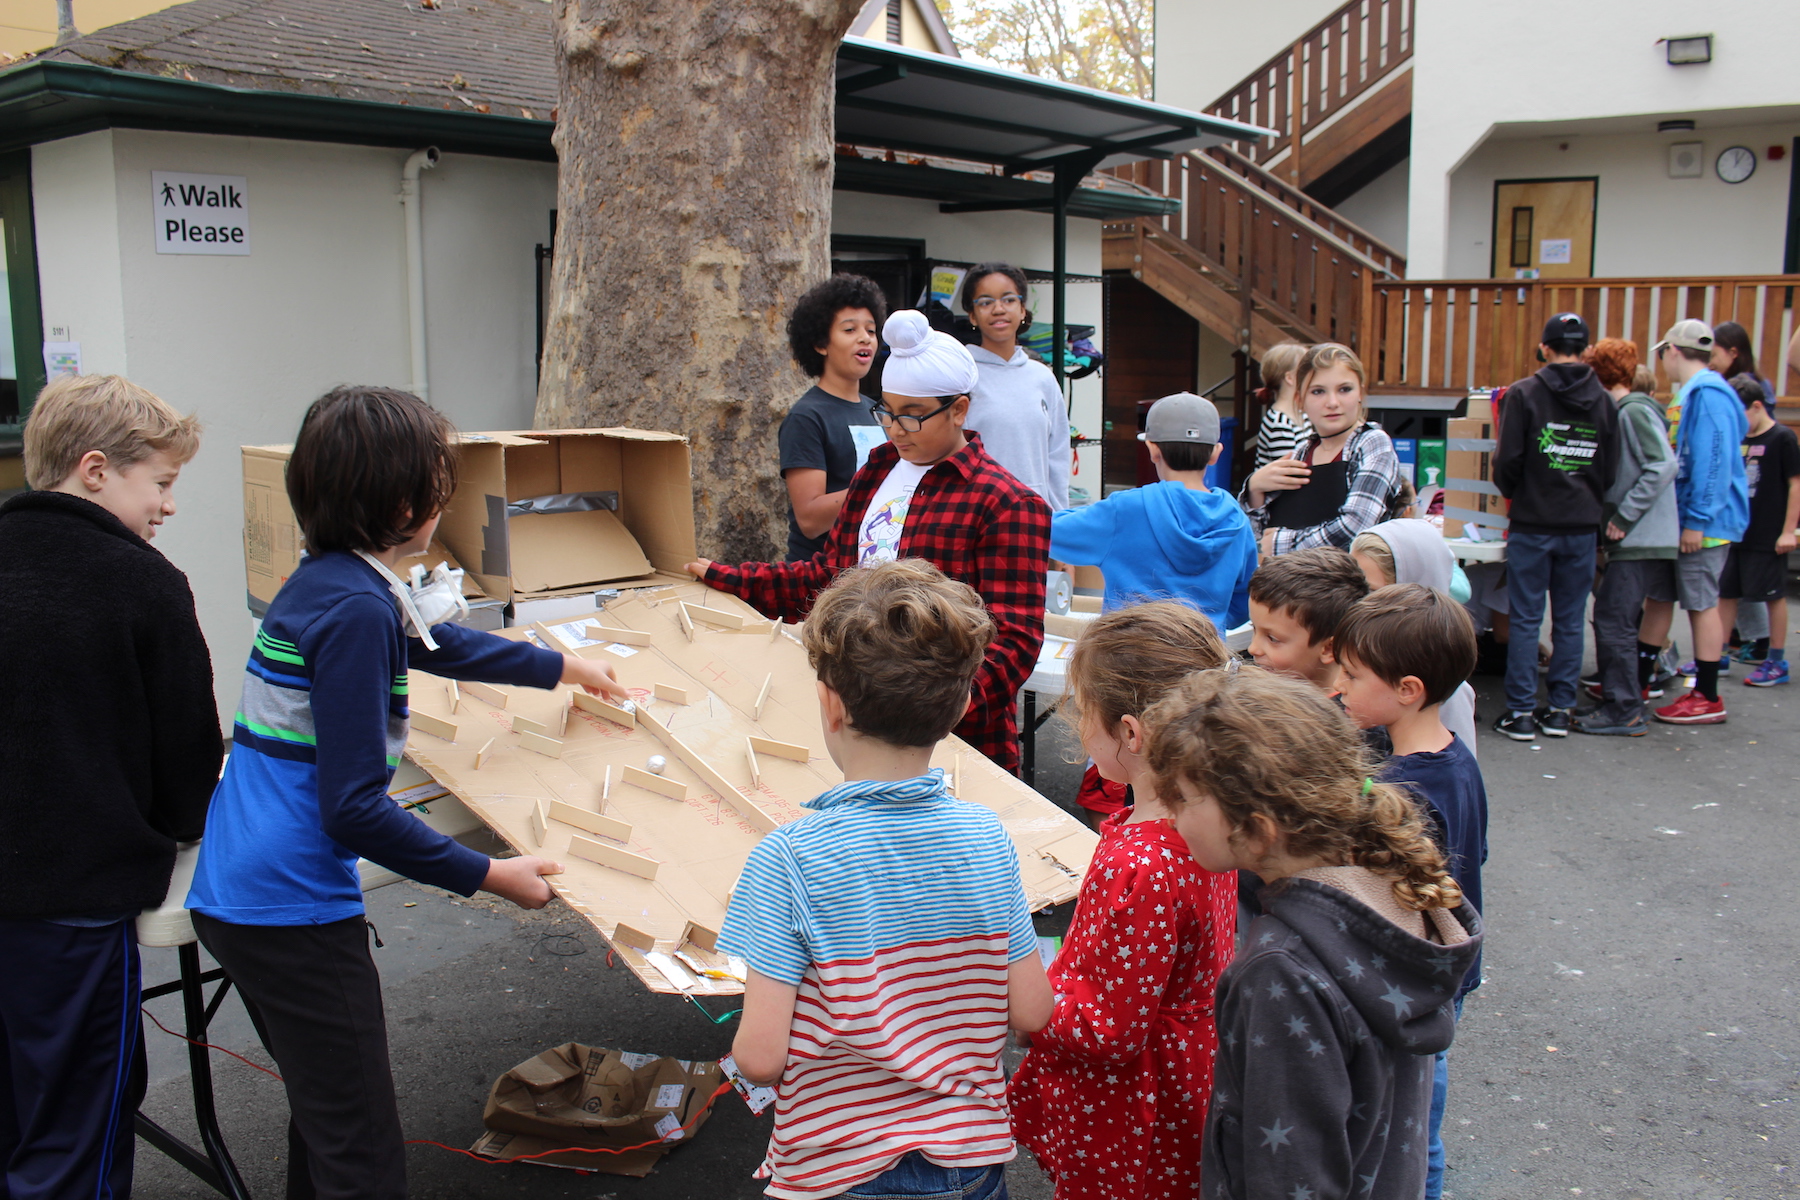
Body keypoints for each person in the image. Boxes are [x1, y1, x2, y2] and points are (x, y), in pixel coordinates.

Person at [186, 386, 629, 1196]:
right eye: (438, 482)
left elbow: (437, 642)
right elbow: (352, 806)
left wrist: (562, 665)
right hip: (290, 910)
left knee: (329, 1119)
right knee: (360, 1147)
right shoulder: (356, 610)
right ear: (405, 505)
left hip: (243, 890)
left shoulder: (332, 582)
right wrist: (489, 874)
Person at [721, 560, 1052, 1200]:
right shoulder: (989, 838)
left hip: (836, 1171)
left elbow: (760, 1059)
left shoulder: (788, 856)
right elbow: (1032, 1009)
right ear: (957, 706)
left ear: (830, 702)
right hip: (971, 1164)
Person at [0, 375, 217, 1199]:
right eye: (160, 483)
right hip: (71, 909)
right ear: (95, 469)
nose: (166, 506)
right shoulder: (141, 583)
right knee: (75, 1132)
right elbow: (187, 770)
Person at [1146, 667, 1481, 1200]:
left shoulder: (1279, 971)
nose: (1169, 816)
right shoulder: (1393, 893)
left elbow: (1288, 1176)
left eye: (1184, 798)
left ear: (1258, 830)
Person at [689, 309, 1050, 773]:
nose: (896, 429)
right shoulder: (878, 470)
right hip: (861, 716)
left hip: (957, 739)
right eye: (887, 412)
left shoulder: (1007, 503)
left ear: (960, 409)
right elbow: (829, 578)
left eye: (914, 416)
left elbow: (1014, 639)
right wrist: (731, 578)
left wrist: (942, 709)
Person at [1009, 604, 1238, 1200]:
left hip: (1135, 1100)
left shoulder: (1140, 862)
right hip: (1189, 1067)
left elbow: (1108, 1029)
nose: (1080, 727)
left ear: (1130, 733)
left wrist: (1026, 999)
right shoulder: (1209, 817)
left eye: (1085, 713)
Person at [1333, 584, 1490, 1200]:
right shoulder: (1456, 761)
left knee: (1411, 1124)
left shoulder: (1404, 794)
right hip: (1446, 970)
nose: (1339, 685)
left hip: (1415, 980)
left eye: (1352, 674)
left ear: (1407, 691)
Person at [1491, 312, 1620, 741]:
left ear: (1544, 348)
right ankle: (1561, 709)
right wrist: (1586, 497)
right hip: (1581, 525)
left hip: (1532, 521)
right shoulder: (1604, 400)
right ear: (1584, 350)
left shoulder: (1524, 394)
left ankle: (1522, 712)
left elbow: (1506, 461)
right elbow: (1610, 467)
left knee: (1527, 618)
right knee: (1569, 620)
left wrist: (1523, 494)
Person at [1048, 391, 1256, 627]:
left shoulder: (1125, 510)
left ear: (1152, 449)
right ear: (1216, 453)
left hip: (1125, 658)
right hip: (1205, 657)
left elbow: (1044, 531)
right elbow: (1243, 605)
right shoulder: (1237, 520)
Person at [1642, 320, 1749, 725]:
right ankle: (1639, 679)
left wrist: (1698, 521)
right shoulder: (1701, 392)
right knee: (1661, 597)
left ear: (1672, 351)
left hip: (1702, 525)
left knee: (1701, 604)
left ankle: (1707, 695)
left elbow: (1712, 462)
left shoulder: (1708, 394)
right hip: (1688, 519)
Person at [1576, 339, 1679, 736]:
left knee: (1613, 620)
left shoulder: (1630, 412)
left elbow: (1662, 465)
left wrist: (1624, 515)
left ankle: (1625, 708)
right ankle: (1625, 700)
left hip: (1640, 537)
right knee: (1619, 618)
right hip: (1644, 536)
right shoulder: (1630, 410)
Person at [1242, 342, 1405, 556]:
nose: (1332, 402)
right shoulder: (1301, 452)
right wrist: (1254, 489)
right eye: (1318, 391)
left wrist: (1281, 545)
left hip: (1351, 584)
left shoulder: (1371, 444)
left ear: (1360, 394)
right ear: (1300, 400)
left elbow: (1355, 528)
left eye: (1344, 389)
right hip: (1289, 585)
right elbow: (1254, 541)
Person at [778, 274, 889, 561]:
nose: (865, 338)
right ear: (820, 343)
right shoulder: (806, 416)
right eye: (849, 330)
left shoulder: (878, 411)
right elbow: (810, 519)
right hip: (821, 578)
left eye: (871, 330)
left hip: (871, 573)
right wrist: (880, 483)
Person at [1347, 519, 1479, 754]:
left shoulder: (1450, 691)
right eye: (1356, 588)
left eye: (1373, 591)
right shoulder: (1366, 656)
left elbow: (1453, 775)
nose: (1360, 601)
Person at [960, 262, 1070, 511]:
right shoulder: (963, 376)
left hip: (1036, 517)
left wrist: (1060, 518)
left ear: (1022, 309)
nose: (998, 309)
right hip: (980, 515)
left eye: (1008, 300)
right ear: (972, 315)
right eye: (986, 302)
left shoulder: (1042, 377)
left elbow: (1058, 455)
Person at [1717, 374, 1800, 687]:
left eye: (1741, 415)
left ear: (1757, 405)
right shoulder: (1741, 438)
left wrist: (1788, 530)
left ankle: (1777, 661)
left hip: (1768, 533)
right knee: (1726, 593)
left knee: (1772, 596)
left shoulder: (1782, 438)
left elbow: (1796, 484)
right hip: (1737, 530)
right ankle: (1718, 653)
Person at [1709, 322, 1776, 658]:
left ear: (1733, 352)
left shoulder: (1754, 391)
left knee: (1747, 571)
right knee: (1731, 574)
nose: (1710, 359)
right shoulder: (1722, 385)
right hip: (1732, 488)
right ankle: (1737, 636)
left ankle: (1757, 638)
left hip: (1750, 492)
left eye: (1715, 352)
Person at [1246, 545, 1370, 691]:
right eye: (1254, 628)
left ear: (1329, 649)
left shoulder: (1349, 712)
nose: (1252, 648)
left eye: (1273, 638)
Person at [1251, 341, 1311, 469]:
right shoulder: (1279, 423)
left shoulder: (1302, 414)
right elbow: (1290, 472)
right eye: (1306, 371)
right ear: (1290, 378)